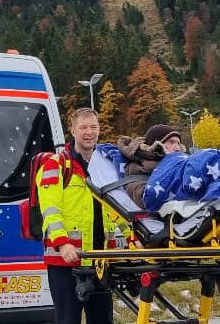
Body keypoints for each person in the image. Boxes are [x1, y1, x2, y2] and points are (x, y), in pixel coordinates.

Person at [35, 108, 124, 324]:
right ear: (72, 130)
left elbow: (119, 209)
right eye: (83, 127)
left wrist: (133, 238)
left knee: (102, 320)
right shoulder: (56, 165)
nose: (89, 132)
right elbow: (50, 210)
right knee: (67, 320)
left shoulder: (107, 166)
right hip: (66, 262)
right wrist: (63, 244)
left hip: (101, 259)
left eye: (93, 127)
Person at [117, 124, 185, 208]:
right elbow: (145, 197)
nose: (177, 148)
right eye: (171, 142)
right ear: (156, 145)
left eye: (178, 143)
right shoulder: (137, 169)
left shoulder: (182, 166)